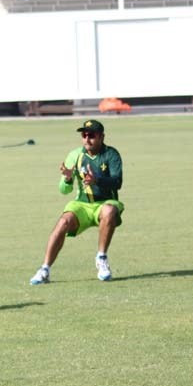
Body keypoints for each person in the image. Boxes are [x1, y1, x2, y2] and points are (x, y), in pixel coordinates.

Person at [29, 119, 124, 284]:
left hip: (105, 202)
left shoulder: (111, 154)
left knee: (109, 211)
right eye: (84, 135)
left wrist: (97, 180)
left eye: (92, 135)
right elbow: (64, 190)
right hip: (82, 204)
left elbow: (118, 182)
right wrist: (67, 179)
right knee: (63, 222)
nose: (87, 138)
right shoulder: (75, 156)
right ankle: (44, 269)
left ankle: (101, 259)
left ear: (102, 136)